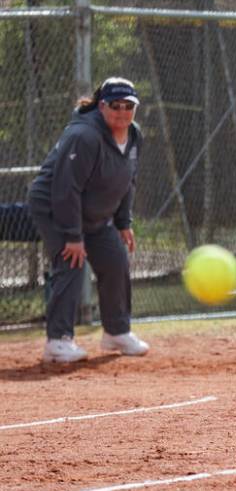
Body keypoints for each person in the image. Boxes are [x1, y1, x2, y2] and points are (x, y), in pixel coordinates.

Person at [26, 77, 150, 364]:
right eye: (115, 105)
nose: (122, 112)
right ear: (102, 105)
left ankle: (116, 332)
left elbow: (127, 180)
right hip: (54, 207)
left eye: (129, 106)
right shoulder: (85, 135)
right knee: (72, 261)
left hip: (94, 213)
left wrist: (123, 222)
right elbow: (65, 187)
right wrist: (72, 235)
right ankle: (58, 341)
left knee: (115, 260)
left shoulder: (134, 135)